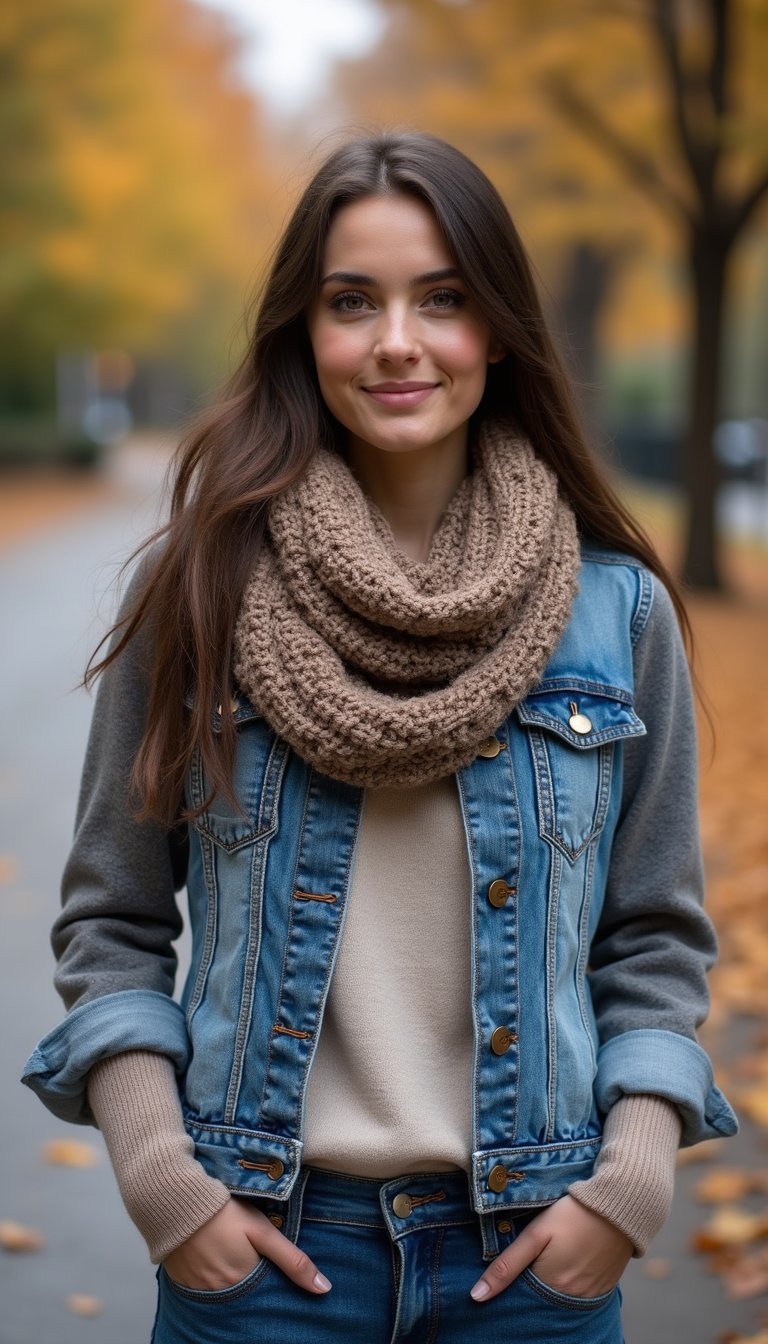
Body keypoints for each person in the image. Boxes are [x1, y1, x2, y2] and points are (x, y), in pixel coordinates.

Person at [22, 131, 737, 1344]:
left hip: (532, 1259)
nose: (397, 341)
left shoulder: (615, 614)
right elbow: (112, 921)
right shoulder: (199, 592)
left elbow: (654, 939)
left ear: (498, 328)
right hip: (258, 1256)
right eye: (353, 302)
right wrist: (162, 1180)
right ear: (305, 330)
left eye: (442, 300)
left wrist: (627, 1187)